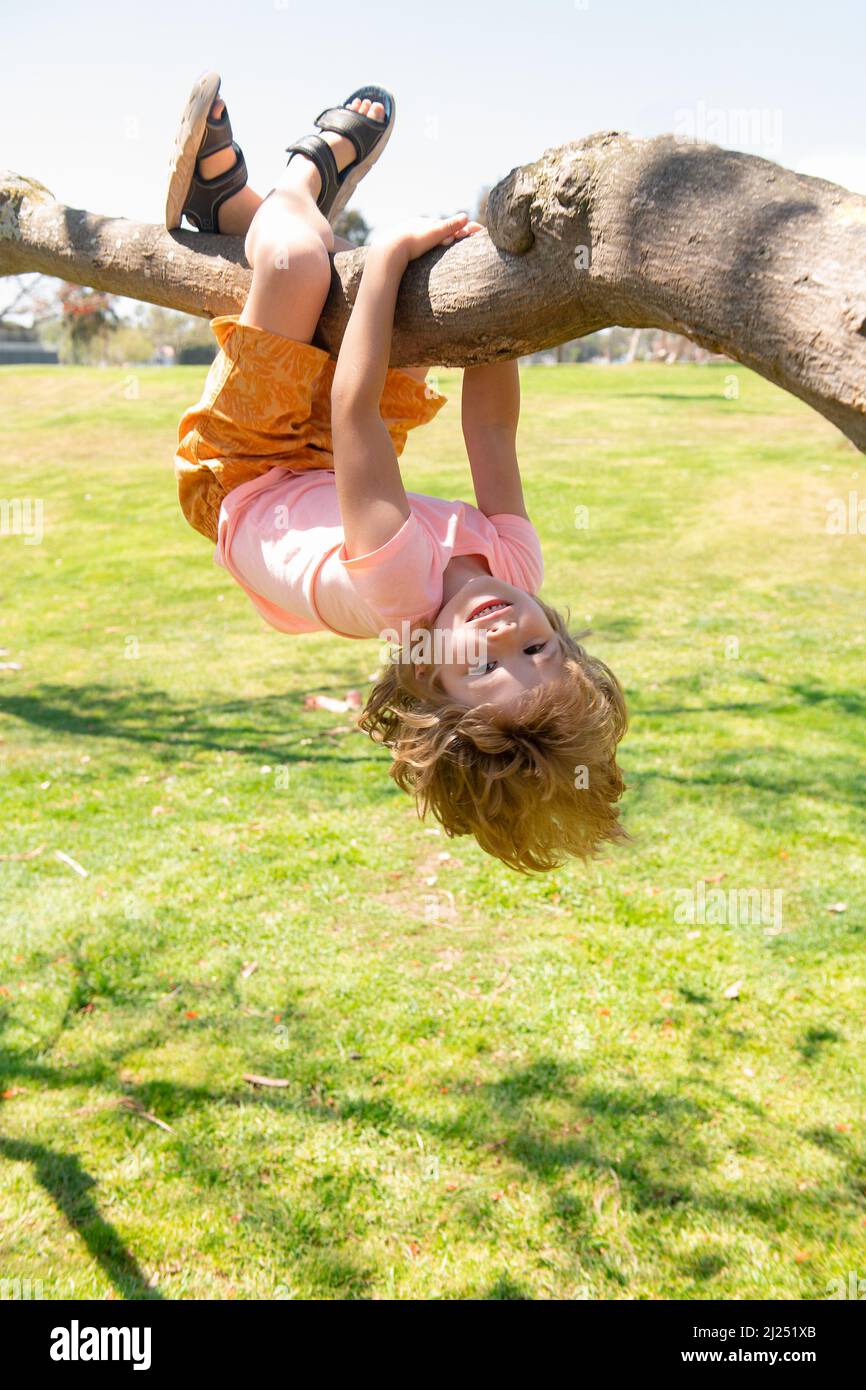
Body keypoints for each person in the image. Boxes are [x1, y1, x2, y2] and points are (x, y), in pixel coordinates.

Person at [168, 73, 627, 872]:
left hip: (249, 475)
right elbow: (490, 426)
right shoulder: (517, 569)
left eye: (482, 666)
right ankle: (226, 207)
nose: (506, 631)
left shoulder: (399, 589)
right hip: (327, 464)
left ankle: (302, 176)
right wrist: (506, 312)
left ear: (427, 676)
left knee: (294, 260)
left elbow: (357, 420)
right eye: (540, 649)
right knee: (336, 281)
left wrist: (383, 263)